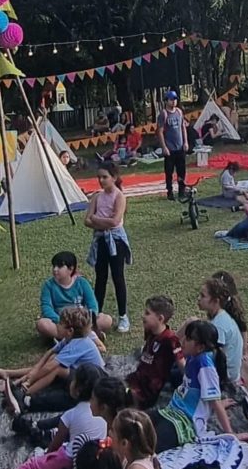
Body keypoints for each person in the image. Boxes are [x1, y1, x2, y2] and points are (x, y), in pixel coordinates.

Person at [0, 306, 104, 415]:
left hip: (90, 383)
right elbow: (50, 352)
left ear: (70, 331)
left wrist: (30, 380)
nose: (57, 325)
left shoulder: (78, 344)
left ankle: (24, 394)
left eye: (60, 324)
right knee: (53, 362)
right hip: (79, 374)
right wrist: (33, 372)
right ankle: (17, 382)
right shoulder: (69, 339)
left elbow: (49, 367)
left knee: (57, 368)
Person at [148, 318, 234, 451]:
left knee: (149, 445)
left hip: (185, 422)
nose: (183, 342)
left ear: (200, 347)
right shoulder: (194, 356)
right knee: (136, 423)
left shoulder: (205, 366)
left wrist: (232, 435)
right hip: (170, 411)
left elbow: (214, 401)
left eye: (188, 339)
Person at [85, 162, 131, 333]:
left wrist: (97, 220)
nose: (101, 180)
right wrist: (102, 222)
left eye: (104, 177)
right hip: (101, 240)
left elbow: (115, 221)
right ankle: (96, 315)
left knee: (118, 277)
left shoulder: (119, 197)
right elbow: (86, 220)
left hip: (116, 241)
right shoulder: (97, 197)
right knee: (100, 278)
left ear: (114, 177)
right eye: (99, 177)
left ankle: (123, 316)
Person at [37, 251, 113, 341]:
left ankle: (66, 338)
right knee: (42, 324)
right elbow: (46, 308)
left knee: (106, 319)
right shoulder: (48, 285)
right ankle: (87, 336)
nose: (55, 269)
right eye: (54, 266)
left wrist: (84, 320)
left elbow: (92, 305)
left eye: (59, 266)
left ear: (71, 269)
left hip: (81, 321)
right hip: (61, 323)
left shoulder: (82, 282)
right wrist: (61, 321)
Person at [125, 296, 183, 409]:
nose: (143, 316)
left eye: (147, 313)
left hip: (148, 390)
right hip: (137, 379)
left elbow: (181, 363)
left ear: (160, 318)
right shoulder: (150, 331)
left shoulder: (170, 339)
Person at [156, 90, 189, 201]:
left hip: (180, 147)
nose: (173, 102)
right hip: (170, 148)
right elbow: (159, 131)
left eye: (175, 99)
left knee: (181, 170)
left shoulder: (179, 112)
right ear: (166, 101)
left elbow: (183, 127)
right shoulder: (164, 114)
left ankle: (181, 190)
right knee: (169, 172)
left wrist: (185, 142)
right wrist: (164, 147)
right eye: (171, 99)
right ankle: (169, 191)